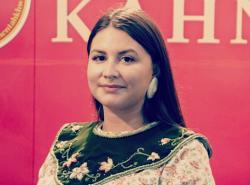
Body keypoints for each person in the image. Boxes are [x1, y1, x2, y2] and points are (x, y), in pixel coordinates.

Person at [38, 8, 215, 185]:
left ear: (155, 70)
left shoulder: (182, 152)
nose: (109, 72)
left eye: (127, 59)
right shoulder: (66, 142)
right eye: (99, 58)